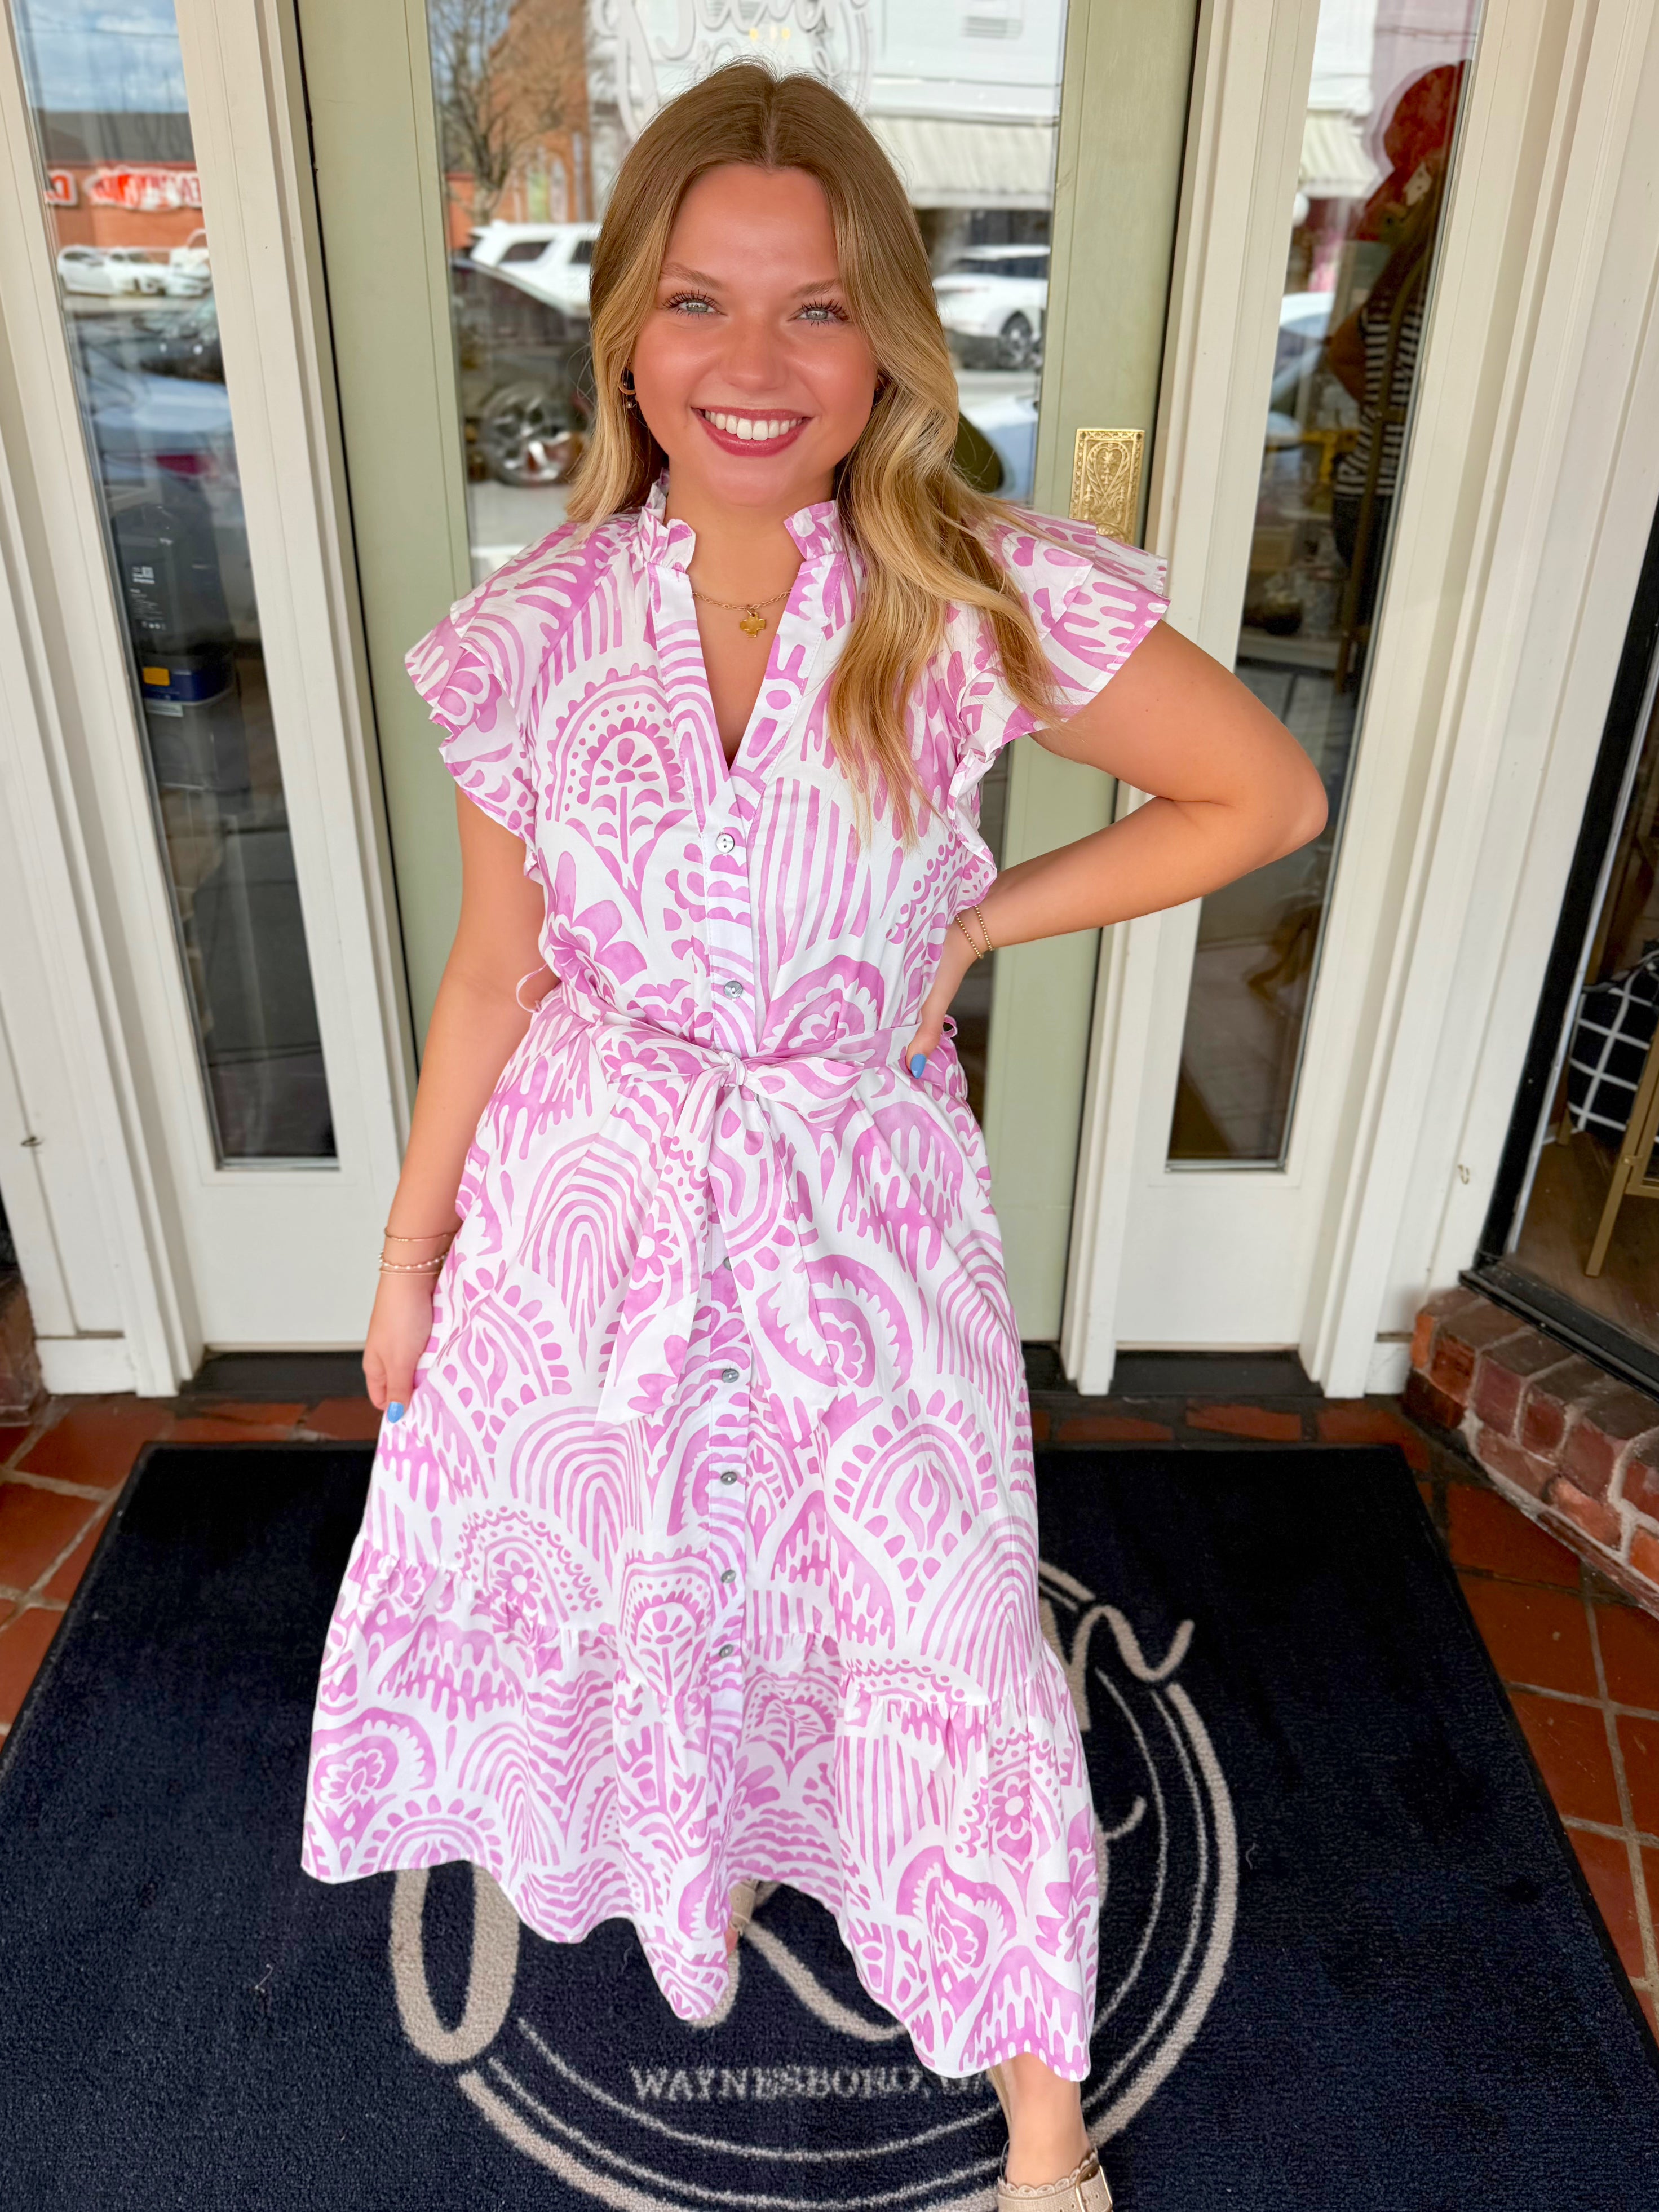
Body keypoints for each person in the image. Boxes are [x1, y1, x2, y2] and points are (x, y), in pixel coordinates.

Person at [300, 61, 1325, 2209]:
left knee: (937, 1626)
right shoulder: (535, 629)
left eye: (818, 308)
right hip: (591, 1202)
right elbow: (496, 971)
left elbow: (1260, 797)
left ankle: (1035, 2083)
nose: (754, 367)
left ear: (890, 344)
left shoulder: (969, 590)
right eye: (699, 302)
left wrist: (976, 912)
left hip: (859, 1205)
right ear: (626, 338)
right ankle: (715, 1871)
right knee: (664, 1580)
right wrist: (412, 1255)